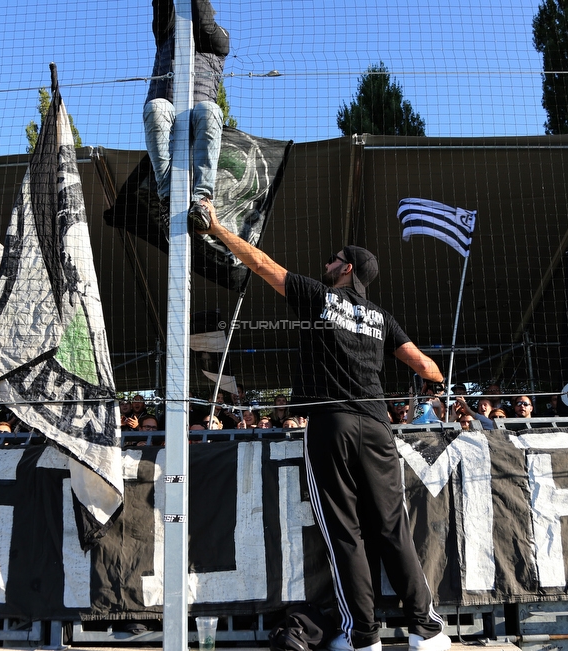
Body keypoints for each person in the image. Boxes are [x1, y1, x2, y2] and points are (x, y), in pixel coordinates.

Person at [198, 199, 450, 651]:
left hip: (331, 424)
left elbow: (262, 264)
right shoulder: (383, 318)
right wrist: (427, 395)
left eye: (333, 259)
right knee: (393, 529)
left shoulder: (319, 295)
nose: (326, 263)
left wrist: (216, 227)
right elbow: (428, 367)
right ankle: (426, 631)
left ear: (347, 268)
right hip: (377, 428)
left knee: (345, 535)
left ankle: (364, 638)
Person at [144, 0, 229, 229]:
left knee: (209, 109)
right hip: (169, 117)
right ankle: (168, 198)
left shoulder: (219, 38)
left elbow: (203, 22)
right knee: (156, 107)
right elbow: (162, 9)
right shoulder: (167, 34)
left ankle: (202, 200)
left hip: (198, 121)